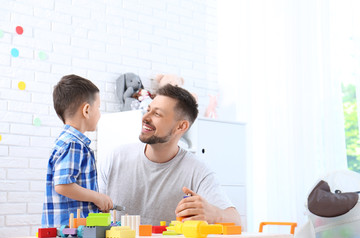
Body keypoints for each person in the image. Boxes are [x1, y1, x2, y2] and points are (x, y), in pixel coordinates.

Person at [98, 84, 241, 225]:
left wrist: (214, 214)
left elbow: (236, 220)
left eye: (157, 114)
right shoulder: (115, 158)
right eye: (148, 110)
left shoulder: (197, 170)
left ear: (181, 126)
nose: (145, 118)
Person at [41, 74, 113, 227]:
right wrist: (97, 197)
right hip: (71, 229)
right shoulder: (74, 144)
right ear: (86, 110)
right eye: (98, 108)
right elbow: (63, 185)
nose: (100, 114)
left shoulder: (65, 141)